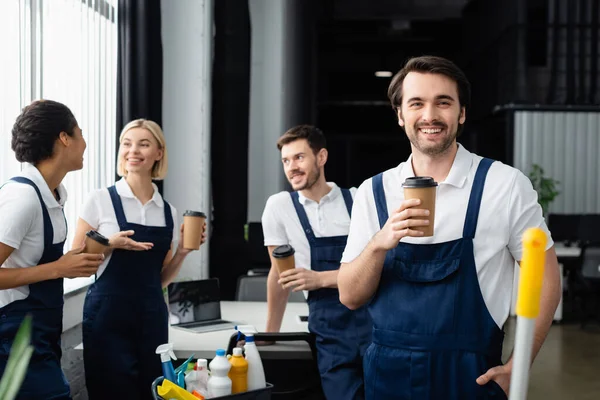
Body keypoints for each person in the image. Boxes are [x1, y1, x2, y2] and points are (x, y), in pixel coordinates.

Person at [337, 56, 562, 399]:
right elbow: (350, 296)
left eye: (443, 102)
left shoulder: (504, 185)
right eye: (416, 103)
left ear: (461, 113)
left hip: (472, 381)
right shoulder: (373, 191)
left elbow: (547, 276)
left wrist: (520, 364)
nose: (429, 115)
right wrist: (380, 243)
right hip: (387, 380)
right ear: (400, 115)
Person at [74, 119, 206, 399]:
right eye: (127, 143)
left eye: (143, 144)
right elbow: (77, 264)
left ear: (159, 153)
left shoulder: (168, 211)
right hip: (107, 317)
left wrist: (182, 250)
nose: (133, 150)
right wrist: (110, 244)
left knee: (153, 391)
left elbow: (159, 280)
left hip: (151, 316)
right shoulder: (99, 200)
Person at [0, 100, 104, 399]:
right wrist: (58, 268)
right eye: (80, 133)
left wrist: (69, 263)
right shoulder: (22, 197)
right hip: (13, 337)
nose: (84, 143)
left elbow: (33, 260)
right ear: (64, 138)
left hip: (40, 334)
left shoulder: (53, 196)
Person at [261, 125, 372, 400]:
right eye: (286, 161)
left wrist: (320, 278)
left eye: (299, 158)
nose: (291, 167)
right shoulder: (279, 207)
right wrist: (271, 333)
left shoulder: (357, 200)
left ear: (321, 157)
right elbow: (279, 276)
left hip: (373, 321)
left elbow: (375, 268)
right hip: (329, 329)